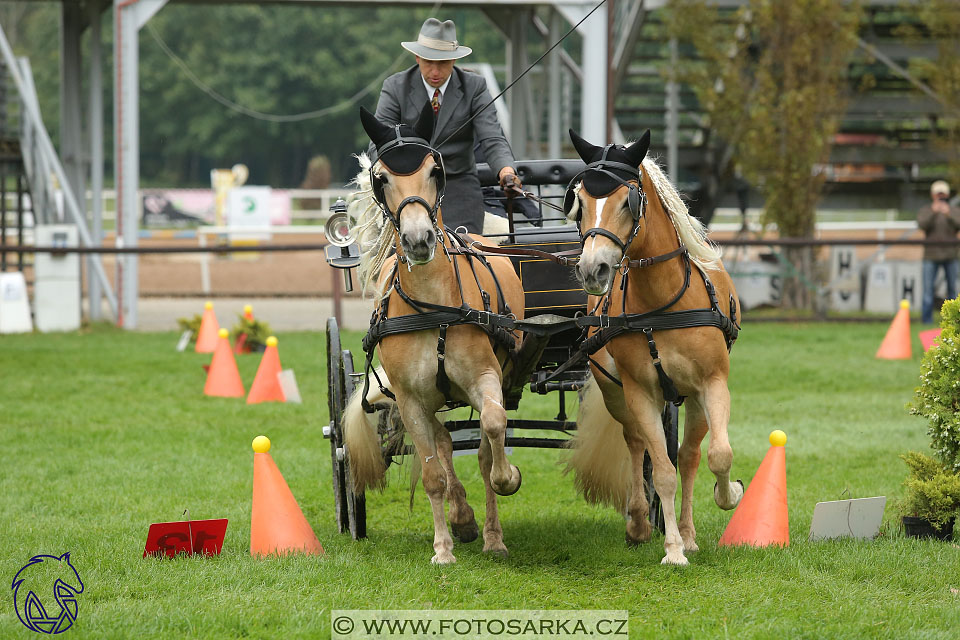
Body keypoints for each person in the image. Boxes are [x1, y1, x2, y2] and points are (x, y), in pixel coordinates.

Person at [368, 18, 522, 234]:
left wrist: (506, 171)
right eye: (428, 62)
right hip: (406, 187)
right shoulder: (395, 87)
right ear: (417, 57)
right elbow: (377, 144)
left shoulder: (475, 87)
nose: (435, 71)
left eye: (443, 63)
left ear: (454, 60)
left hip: (458, 186)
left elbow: (492, 138)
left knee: (467, 253)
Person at [917, 180, 960, 323]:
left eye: (943, 195)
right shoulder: (926, 210)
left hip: (951, 255)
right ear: (932, 195)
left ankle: (953, 322)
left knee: (952, 291)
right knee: (928, 291)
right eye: (938, 195)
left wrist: (948, 213)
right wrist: (934, 213)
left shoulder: (954, 211)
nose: (940, 198)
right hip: (931, 255)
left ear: (947, 195)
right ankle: (926, 320)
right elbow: (922, 225)